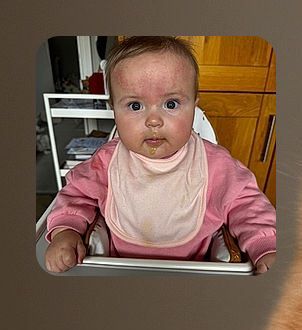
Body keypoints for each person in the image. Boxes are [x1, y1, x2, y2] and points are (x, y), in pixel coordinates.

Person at [44, 36, 276, 273]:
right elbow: (76, 195)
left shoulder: (214, 164)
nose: (153, 120)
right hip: (118, 272)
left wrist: (265, 246)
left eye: (171, 104)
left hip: (195, 277)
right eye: (135, 106)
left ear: (194, 106)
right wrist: (66, 231)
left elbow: (247, 204)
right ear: (113, 109)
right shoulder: (106, 162)